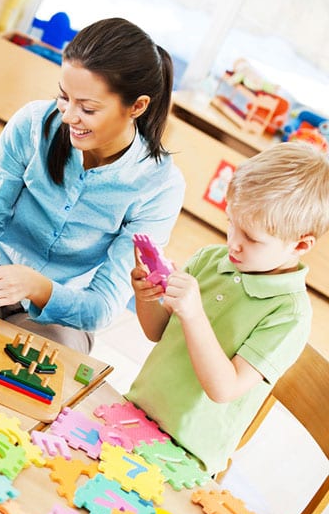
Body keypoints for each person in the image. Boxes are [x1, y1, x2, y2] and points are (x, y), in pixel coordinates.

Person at [0, 18, 185, 354]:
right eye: (63, 97)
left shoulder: (159, 185)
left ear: (137, 106)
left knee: (35, 379)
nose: (69, 116)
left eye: (87, 108)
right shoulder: (32, 125)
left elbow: (101, 307)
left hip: (61, 316)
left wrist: (37, 287)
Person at [126, 141, 329, 475]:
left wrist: (193, 315)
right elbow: (158, 332)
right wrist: (147, 296)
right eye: (232, 221)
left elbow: (225, 388)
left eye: (251, 237)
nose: (233, 240)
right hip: (136, 412)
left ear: (301, 244)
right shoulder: (211, 259)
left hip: (186, 456)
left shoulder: (289, 314)